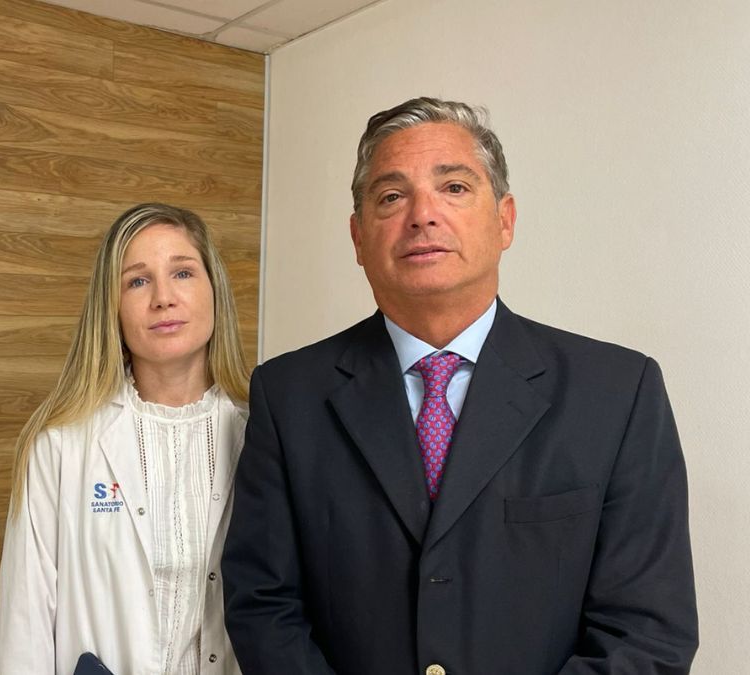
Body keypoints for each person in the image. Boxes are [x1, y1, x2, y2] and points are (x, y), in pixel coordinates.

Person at [221, 97, 698, 674]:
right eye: (392, 196)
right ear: (357, 237)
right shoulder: (288, 394)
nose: (422, 214)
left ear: (505, 220)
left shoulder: (619, 392)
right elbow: (264, 604)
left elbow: (647, 632)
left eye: (453, 187)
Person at [0, 203, 251, 674]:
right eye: (137, 280)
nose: (163, 298)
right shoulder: (61, 444)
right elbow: (25, 624)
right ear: (110, 307)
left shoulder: (262, 433)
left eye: (182, 273)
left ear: (215, 289)